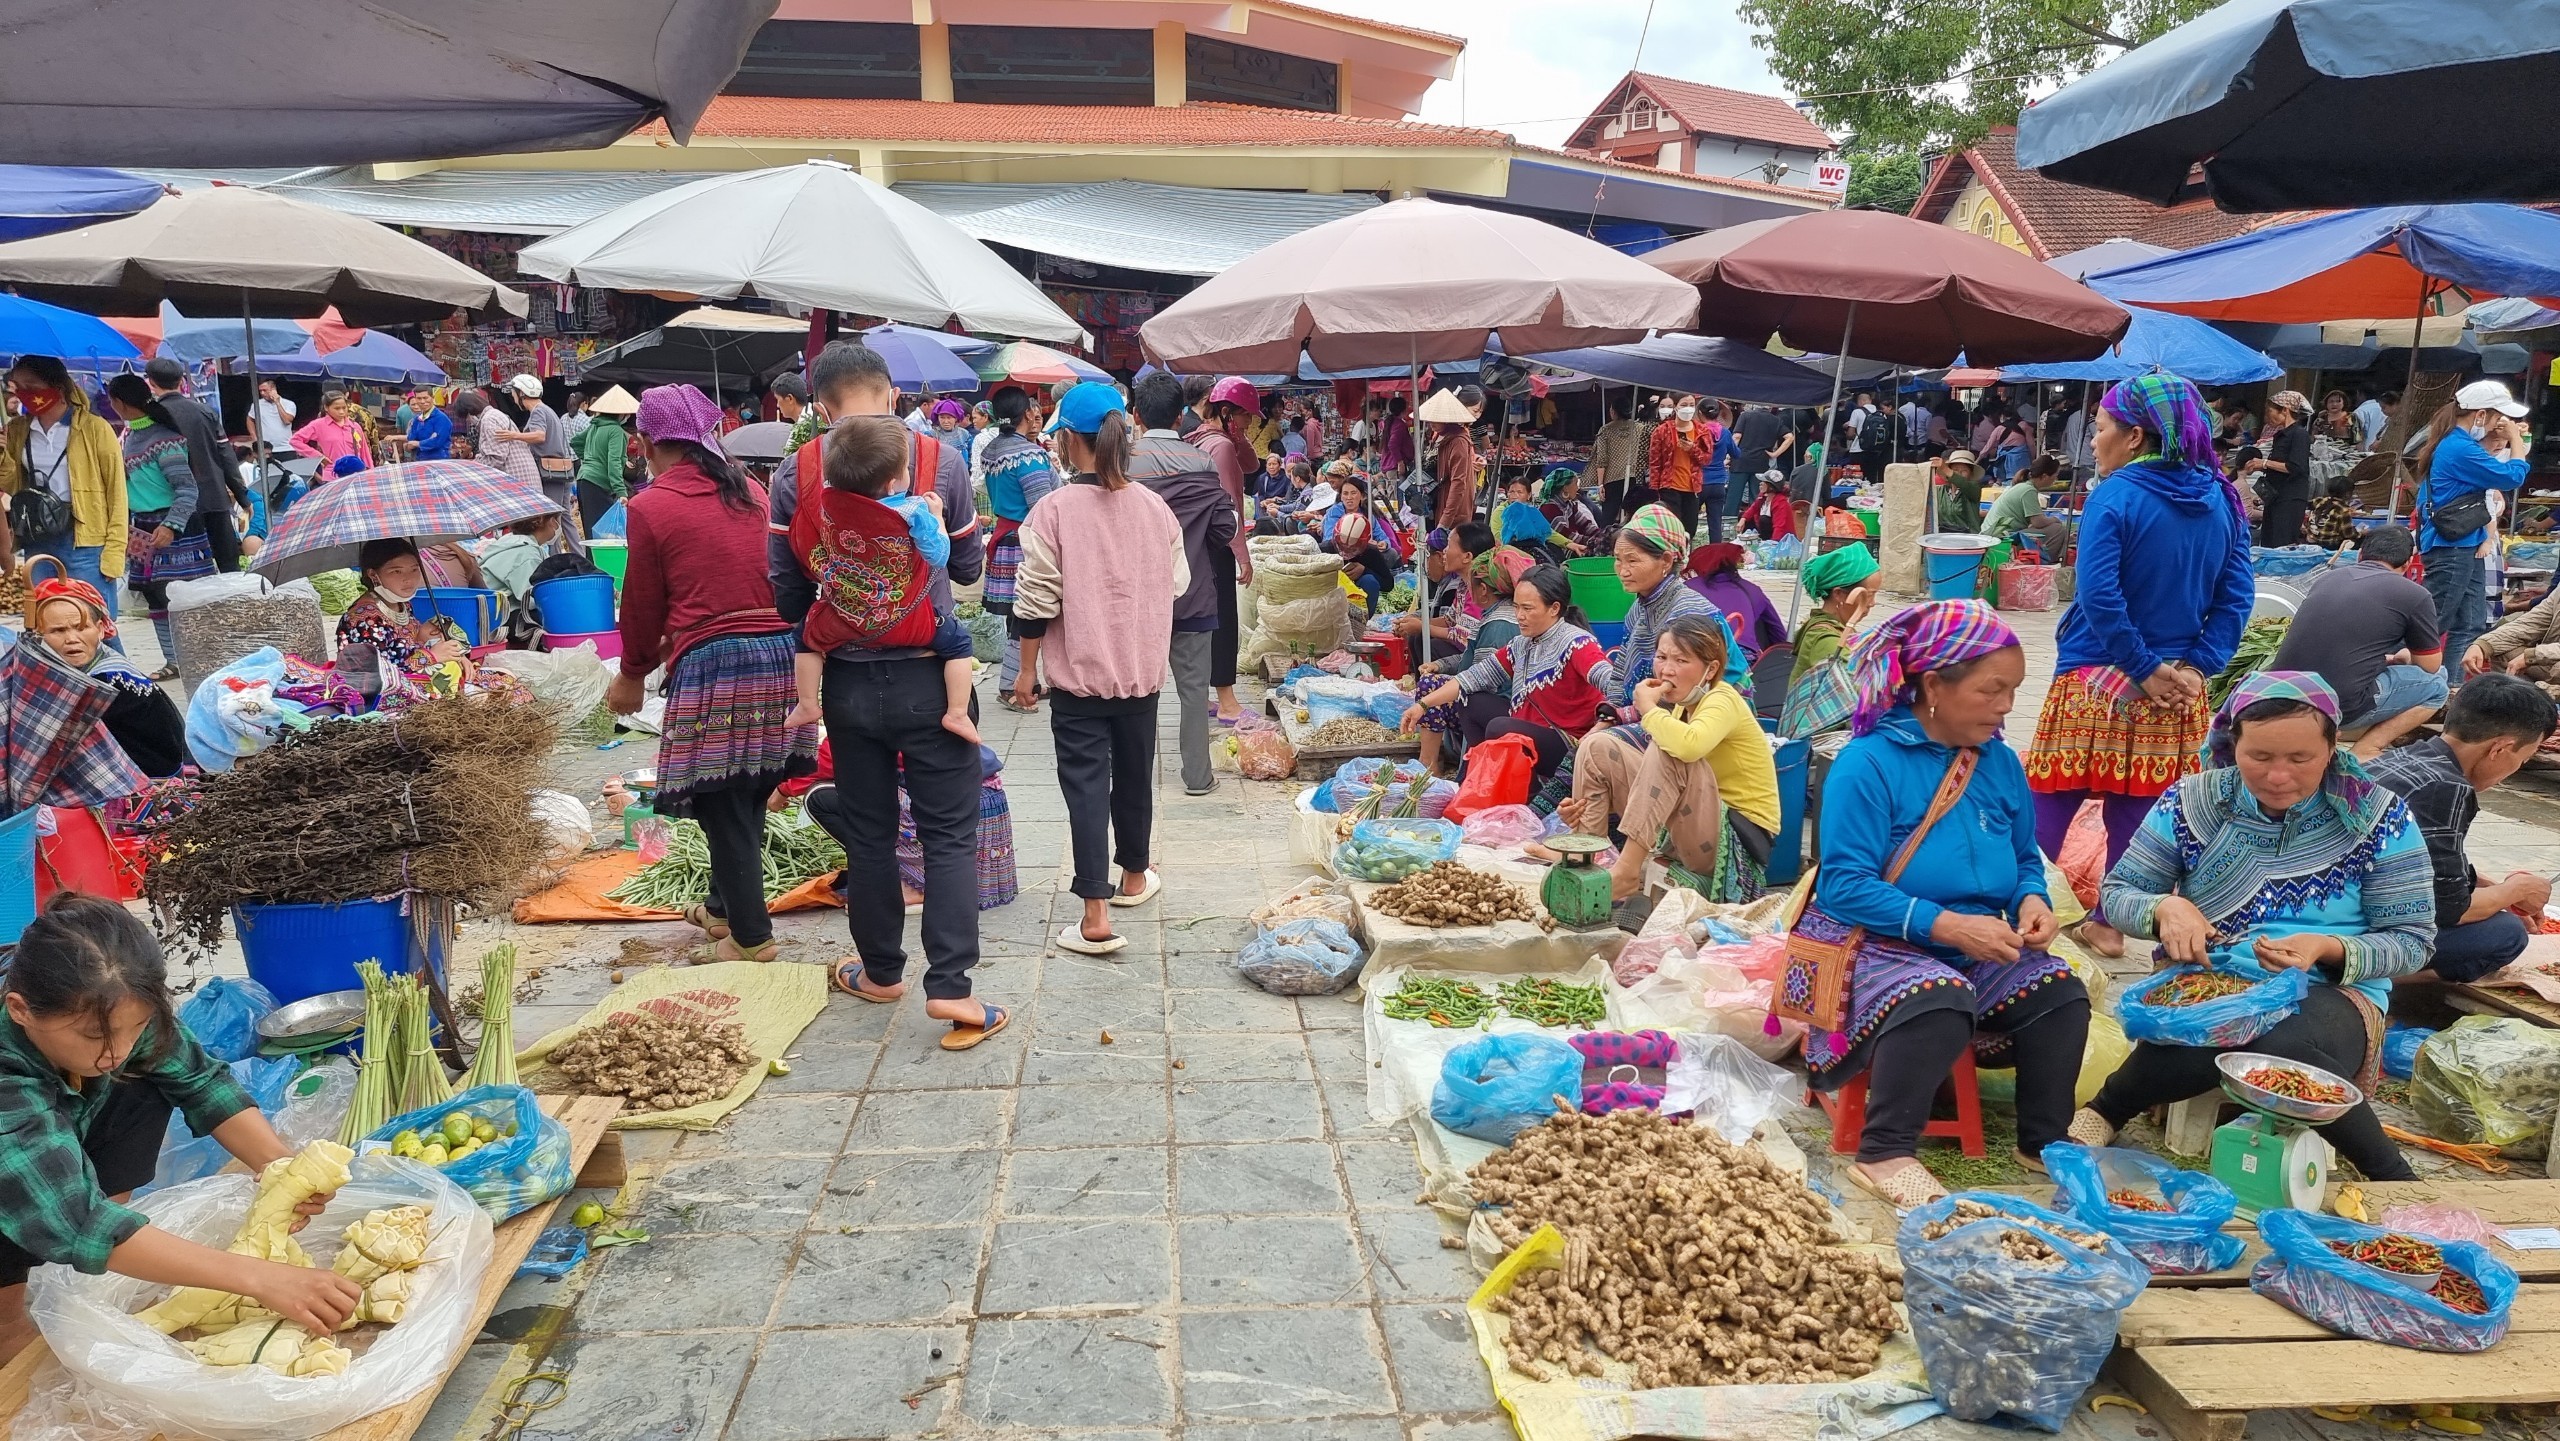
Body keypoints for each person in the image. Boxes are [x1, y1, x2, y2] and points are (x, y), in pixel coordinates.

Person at [2081, 673, 2434, 1182]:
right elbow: (2117, 896)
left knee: (2275, 1044)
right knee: (2223, 1026)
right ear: (2231, 743)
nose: (2278, 776)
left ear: (2333, 747)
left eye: (2301, 759)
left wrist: (2326, 946)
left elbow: (2413, 941)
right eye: (2260, 757)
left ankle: (2388, 1173)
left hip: (2334, 992)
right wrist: (2164, 909)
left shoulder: (2378, 817)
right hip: (2213, 979)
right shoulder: (2192, 802)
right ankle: (2109, 1110)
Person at [1797, 601, 2086, 1211]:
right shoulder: (1866, 764)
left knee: (2060, 989)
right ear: (1933, 685)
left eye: (2014, 690)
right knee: (1938, 997)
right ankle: (1884, 1151)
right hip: (1875, 941)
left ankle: (2044, 1143)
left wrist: (2031, 898)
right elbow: (1843, 886)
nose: (2007, 705)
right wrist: (1947, 925)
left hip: (1973, 939)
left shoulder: (2001, 763)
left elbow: (2024, 857)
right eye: (1993, 690)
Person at [0, 894, 362, 1365]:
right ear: (20, 1009)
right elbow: (79, 1218)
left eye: (138, 1026)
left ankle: (99, 1261)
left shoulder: (111, 1005)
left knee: (140, 1080)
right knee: (45, 1235)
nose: (118, 1050)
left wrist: (282, 1170)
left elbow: (201, 1082)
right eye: (95, 1037)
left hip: (55, 1148)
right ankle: (12, 1317)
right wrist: (261, 1277)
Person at [769, 342, 995, 1044]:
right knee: (949, 834)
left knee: (868, 835)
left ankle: (880, 972)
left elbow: (785, 591)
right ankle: (952, 989)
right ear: (891, 394)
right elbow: (963, 566)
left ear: (822, 407)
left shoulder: (793, 472)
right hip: (933, 673)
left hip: (849, 683)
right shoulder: (943, 462)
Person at [2023, 373, 2254, 955]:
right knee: (2141, 809)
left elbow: (2099, 595)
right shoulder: (2221, 498)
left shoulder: (2116, 494)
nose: (2094, 442)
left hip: (2098, 674)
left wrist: (2141, 665)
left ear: (2133, 437)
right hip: (2178, 689)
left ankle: (2018, 916)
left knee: (2051, 797)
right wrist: (2198, 668)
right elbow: (2236, 597)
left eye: (2100, 430)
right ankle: (2108, 921)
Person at [608, 385, 814, 965]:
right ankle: (723, 910)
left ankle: (752, 939)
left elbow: (642, 604)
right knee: (745, 791)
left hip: (718, 663)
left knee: (723, 804)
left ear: (646, 443)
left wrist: (631, 672)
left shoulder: (650, 506)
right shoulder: (749, 488)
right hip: (780, 655)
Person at [1011, 382, 1186, 959]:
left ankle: (1094, 914)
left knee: (1086, 786)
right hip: (1139, 672)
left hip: (1079, 680)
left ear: (1065, 440)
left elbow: (1035, 602)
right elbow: (1177, 584)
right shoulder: (1154, 507)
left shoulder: (1052, 511)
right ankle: (1135, 875)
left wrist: (1025, 675)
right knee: (1136, 776)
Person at [782, 413, 975, 754]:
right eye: (905, 468)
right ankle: (958, 713)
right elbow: (939, 556)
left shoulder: (829, 507)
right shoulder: (913, 510)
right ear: (892, 484)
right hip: (909, 622)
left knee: (804, 636)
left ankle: (809, 703)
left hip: (843, 620)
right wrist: (938, 518)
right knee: (958, 643)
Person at [1559, 615, 1779, 905]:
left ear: (1710, 669)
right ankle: (1587, 852)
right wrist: (1587, 809)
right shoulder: (1681, 708)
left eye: (1681, 661)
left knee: (1669, 750)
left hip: (1737, 838)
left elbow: (1687, 748)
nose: (1667, 670)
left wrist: (1649, 708)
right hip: (1695, 821)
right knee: (1597, 745)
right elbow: (1654, 790)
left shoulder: (1722, 699)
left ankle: (1626, 872)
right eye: (1661, 657)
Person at [2367, 675, 2557, 984]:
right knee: (2505, 933)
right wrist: (2517, 890)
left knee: (2496, 912)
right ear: (2500, 748)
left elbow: (2431, 863)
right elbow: (2449, 909)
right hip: (2350, 930)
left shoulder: (2401, 759)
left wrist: (2492, 889)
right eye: (2521, 759)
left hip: (2325, 906)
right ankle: (2369, 980)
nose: (2515, 770)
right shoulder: (2445, 787)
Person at [1400, 564, 1617, 781]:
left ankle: (1525, 791)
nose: (1520, 616)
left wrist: (1603, 724)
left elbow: (1612, 682)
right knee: (1470, 700)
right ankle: (1477, 778)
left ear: (1554, 608)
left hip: (1569, 743)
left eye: (1528, 608)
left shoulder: (1577, 643)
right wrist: (1423, 705)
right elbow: (1473, 677)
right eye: (1516, 607)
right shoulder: (1521, 644)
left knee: (1500, 727)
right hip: (1531, 730)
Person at [1128, 373, 1237, 797]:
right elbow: (1224, 528)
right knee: (1193, 692)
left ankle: (1133, 774)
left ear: (1137, 415)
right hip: (1192, 595)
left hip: (1134, 600)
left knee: (1136, 689)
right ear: (1180, 417)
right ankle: (1197, 776)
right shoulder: (1203, 463)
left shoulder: (1120, 464)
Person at [2267, 525, 2446, 758]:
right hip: (2340, 705)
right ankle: (2367, 748)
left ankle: (2327, 739)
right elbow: (2430, 666)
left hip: (2282, 694)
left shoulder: (2328, 579)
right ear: (2407, 563)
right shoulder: (2414, 594)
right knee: (2438, 684)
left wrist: (2387, 659)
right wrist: (2403, 657)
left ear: (2360, 555)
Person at [0, 360, 128, 633]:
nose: (23, 393)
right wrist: (2, 454)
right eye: (17, 387)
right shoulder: (18, 429)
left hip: (85, 540)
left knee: (94, 625)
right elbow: (9, 485)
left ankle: (113, 675)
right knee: (48, 624)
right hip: (38, 538)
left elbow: (117, 493)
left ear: (57, 387)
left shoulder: (94, 428)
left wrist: (115, 550)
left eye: (31, 386)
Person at [2415, 380, 2532, 673]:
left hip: (2465, 543)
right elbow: (2512, 476)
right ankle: (2408, 681)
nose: (2498, 425)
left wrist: (2510, 438)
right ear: (2480, 416)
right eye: (2496, 417)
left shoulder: (2460, 444)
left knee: (2470, 623)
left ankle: (2450, 687)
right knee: (2434, 622)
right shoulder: (2459, 448)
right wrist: (2516, 440)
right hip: (2451, 547)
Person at [102, 374, 210, 676]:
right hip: (144, 526)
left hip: (174, 527)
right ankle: (173, 660)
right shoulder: (129, 437)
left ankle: (195, 656)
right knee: (154, 595)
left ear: (118, 403)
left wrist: (171, 525)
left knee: (180, 597)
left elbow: (187, 489)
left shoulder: (164, 439)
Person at [25, 578, 185, 776]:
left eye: (81, 628)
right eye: (58, 630)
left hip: (150, 779)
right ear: (39, 636)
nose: (72, 639)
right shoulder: (89, 664)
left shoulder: (106, 681)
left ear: (100, 629)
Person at [1412, 546, 1531, 774]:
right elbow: (1476, 659)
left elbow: (1483, 677)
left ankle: (1429, 765)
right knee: (1436, 679)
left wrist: (1429, 698)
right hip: (1504, 703)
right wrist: (1440, 665)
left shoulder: (1497, 624)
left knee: (1430, 686)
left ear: (1483, 590)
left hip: (1502, 705)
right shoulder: (1498, 614)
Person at [979, 388, 1058, 710]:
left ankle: (1025, 680)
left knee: (1018, 616)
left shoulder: (993, 450)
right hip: (1027, 541)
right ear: (1027, 414)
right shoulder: (1028, 455)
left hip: (1005, 537)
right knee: (1027, 614)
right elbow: (1043, 505)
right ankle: (1012, 686)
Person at [140, 358, 243, 578]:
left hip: (173, 506)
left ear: (151, 383)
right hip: (214, 498)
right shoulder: (205, 412)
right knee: (229, 568)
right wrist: (243, 497)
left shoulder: (150, 417)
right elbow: (227, 458)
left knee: (181, 574)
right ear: (182, 381)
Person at [336, 539, 468, 706]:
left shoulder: (402, 603)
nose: (409, 579)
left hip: (416, 680)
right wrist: (432, 656)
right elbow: (377, 676)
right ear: (373, 574)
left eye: (414, 569)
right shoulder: (363, 619)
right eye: (396, 572)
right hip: (381, 697)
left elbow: (405, 647)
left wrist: (449, 652)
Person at [1682, 542, 1784, 661]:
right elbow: (1778, 633)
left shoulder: (1687, 587)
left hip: (1696, 654)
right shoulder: (1751, 589)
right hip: (1743, 657)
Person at [2244, 389, 2314, 547]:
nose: (2268, 417)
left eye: (2270, 411)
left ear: (2285, 410)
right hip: (2275, 497)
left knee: (2281, 543)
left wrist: (2264, 463)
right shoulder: (2281, 435)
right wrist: (2261, 467)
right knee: (2268, 541)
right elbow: (2280, 465)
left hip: (2289, 499)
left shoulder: (2299, 434)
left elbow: (2296, 467)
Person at [1645, 394, 1712, 539]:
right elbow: (1655, 463)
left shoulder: (1701, 431)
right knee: (1672, 529)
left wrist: (1692, 449)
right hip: (1669, 486)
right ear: (1675, 406)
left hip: (1692, 487)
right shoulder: (1662, 431)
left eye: (1691, 404)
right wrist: (1655, 491)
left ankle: (1686, 557)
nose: (1688, 408)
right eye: (1684, 404)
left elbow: (1706, 459)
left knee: (1690, 530)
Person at [570, 385, 635, 535]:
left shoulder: (595, 425)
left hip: (583, 479)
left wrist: (590, 459)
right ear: (620, 413)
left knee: (590, 531)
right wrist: (621, 492)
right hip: (598, 483)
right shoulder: (616, 431)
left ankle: (588, 559)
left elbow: (576, 442)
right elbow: (613, 463)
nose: (629, 416)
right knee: (602, 535)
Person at [1589, 394, 1649, 525]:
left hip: (1612, 479)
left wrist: (1600, 484)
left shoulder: (1606, 430)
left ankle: (1606, 541)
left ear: (1613, 411)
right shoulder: (1640, 428)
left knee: (1608, 517)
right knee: (1633, 516)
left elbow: (1601, 459)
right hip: (1635, 476)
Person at [474, 385, 542, 494]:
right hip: (527, 474)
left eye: (513, 394)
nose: (514, 399)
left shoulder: (489, 419)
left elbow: (497, 456)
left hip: (516, 478)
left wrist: (475, 467)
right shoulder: (498, 415)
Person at [288, 390, 372, 475]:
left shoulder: (354, 426)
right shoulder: (318, 425)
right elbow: (295, 440)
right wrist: (318, 457)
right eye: (337, 408)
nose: (341, 412)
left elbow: (365, 453)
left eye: (344, 407)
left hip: (355, 475)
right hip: (332, 475)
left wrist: (370, 474)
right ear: (326, 408)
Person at [1540, 467, 1605, 556]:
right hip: (1560, 551)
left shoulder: (1569, 505)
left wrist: (1602, 535)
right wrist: (1594, 541)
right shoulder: (1549, 508)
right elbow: (1567, 535)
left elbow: (1586, 525)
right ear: (1565, 488)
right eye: (1575, 484)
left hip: (1574, 546)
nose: (1577, 488)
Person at [250, 379, 297, 456]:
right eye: (260, 391)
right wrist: (254, 436)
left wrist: (277, 403)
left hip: (286, 448)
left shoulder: (289, 404)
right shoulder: (257, 404)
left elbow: (287, 421)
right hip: (266, 450)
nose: (262, 393)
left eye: (265, 390)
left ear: (273, 390)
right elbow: (250, 419)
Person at [405, 390, 453, 462]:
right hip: (420, 460)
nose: (422, 401)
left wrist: (418, 443)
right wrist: (409, 445)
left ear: (432, 398)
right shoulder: (417, 419)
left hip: (439, 460)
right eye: (419, 398)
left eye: (425, 398)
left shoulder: (441, 418)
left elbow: (438, 441)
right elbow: (411, 438)